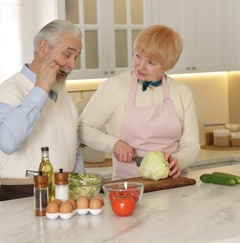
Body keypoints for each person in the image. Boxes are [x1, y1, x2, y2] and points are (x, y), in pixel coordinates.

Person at [78, 25, 200, 180]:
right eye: (138, 56)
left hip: (174, 186)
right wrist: (113, 143)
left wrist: (179, 160)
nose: (140, 66)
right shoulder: (113, 87)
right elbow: (83, 128)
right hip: (129, 186)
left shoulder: (182, 93)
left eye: (151, 62)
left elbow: (191, 145)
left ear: (168, 64)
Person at [0, 19, 84, 202]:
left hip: (65, 196)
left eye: (76, 57)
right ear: (43, 48)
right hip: (22, 197)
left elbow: (72, 150)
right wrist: (40, 89)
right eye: (67, 55)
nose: (71, 65)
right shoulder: (10, 90)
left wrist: (82, 190)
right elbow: (7, 141)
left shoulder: (65, 98)